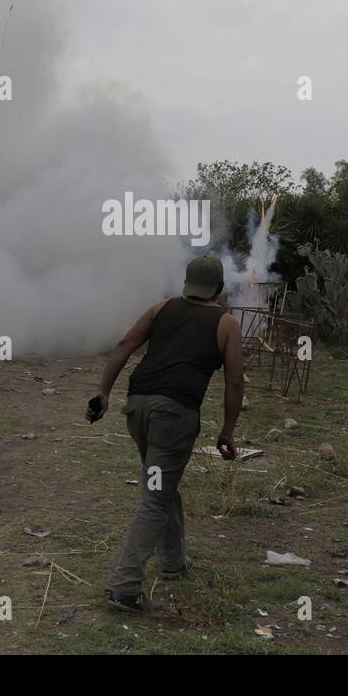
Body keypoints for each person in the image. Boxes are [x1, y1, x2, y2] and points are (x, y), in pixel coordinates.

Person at [87, 254, 244, 612]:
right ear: (218, 289)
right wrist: (228, 430)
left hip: (137, 407)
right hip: (173, 415)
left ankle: (172, 562)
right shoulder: (226, 324)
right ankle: (125, 587)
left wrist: (104, 392)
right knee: (156, 497)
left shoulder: (159, 309)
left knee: (161, 482)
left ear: (186, 284)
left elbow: (125, 345)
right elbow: (235, 379)